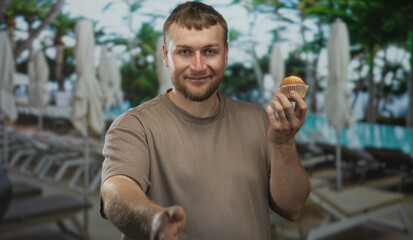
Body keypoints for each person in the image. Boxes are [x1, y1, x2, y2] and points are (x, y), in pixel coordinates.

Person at [100, 1, 310, 240]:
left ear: (226, 54)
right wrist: (152, 219)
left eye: (210, 51)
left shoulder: (257, 118)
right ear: (166, 55)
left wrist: (283, 144)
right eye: (185, 51)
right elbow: (116, 190)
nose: (198, 66)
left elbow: (292, 208)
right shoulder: (134, 125)